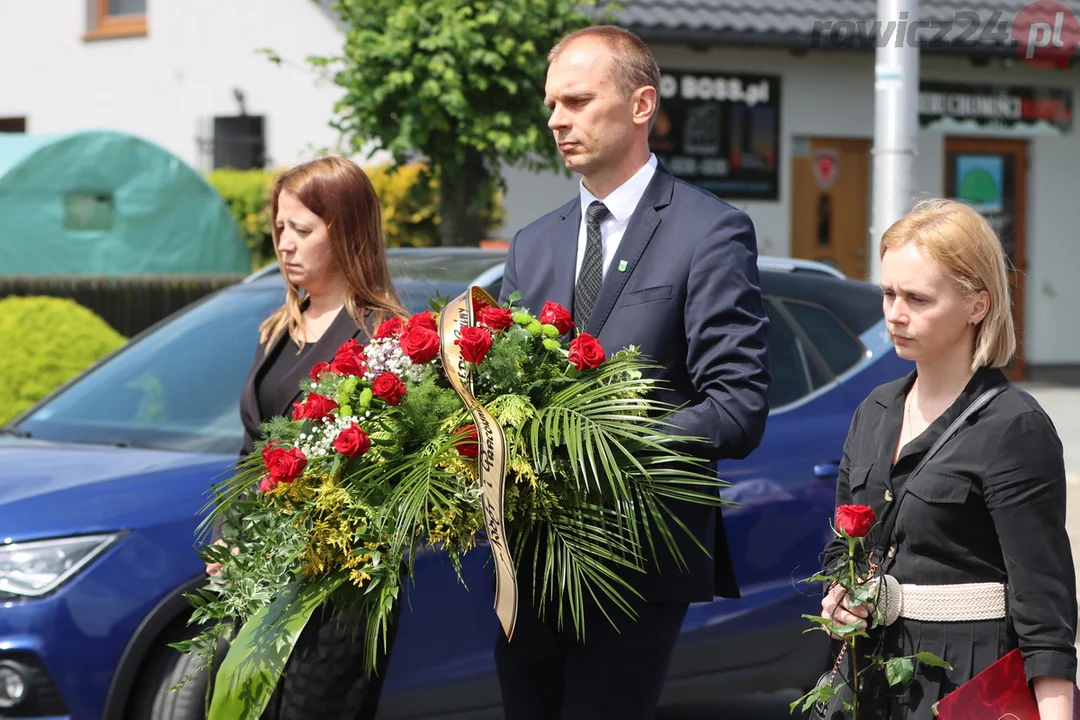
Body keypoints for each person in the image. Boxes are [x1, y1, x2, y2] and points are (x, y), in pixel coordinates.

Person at [496, 25, 771, 719]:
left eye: (578, 100)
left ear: (641, 104)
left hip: (637, 559)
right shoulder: (533, 244)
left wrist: (598, 442)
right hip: (527, 560)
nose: (557, 119)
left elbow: (736, 407)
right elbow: (495, 386)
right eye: (552, 104)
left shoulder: (710, 230)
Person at [820, 197, 1077, 719]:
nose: (895, 313)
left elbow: (1044, 609)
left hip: (968, 682)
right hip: (872, 675)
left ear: (977, 305)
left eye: (917, 298)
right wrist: (839, 595)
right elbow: (841, 549)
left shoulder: (1013, 427)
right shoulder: (874, 410)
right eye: (888, 293)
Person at [205, 156, 407, 720]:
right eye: (279, 229)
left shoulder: (383, 339)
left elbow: (382, 482)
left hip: (333, 592)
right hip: (259, 580)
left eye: (302, 230)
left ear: (346, 232)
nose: (285, 245)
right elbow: (252, 452)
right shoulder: (279, 328)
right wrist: (230, 536)